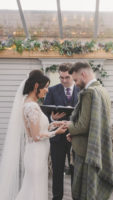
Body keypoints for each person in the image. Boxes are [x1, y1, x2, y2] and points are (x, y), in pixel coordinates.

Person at [0, 69, 67, 200]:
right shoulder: (31, 106)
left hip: (37, 153)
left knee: (33, 187)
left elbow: (36, 129)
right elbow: (36, 136)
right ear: (36, 86)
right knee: (34, 189)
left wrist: (52, 124)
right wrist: (55, 132)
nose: (47, 90)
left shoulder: (30, 103)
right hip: (36, 154)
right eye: (46, 87)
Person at [64, 62, 113, 200]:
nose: (75, 84)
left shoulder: (89, 93)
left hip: (86, 151)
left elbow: (82, 125)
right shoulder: (102, 90)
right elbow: (93, 123)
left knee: (83, 193)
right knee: (93, 190)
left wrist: (67, 126)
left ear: (83, 74)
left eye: (75, 80)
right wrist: (73, 134)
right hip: (96, 146)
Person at [43, 63, 79, 200]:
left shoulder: (81, 91)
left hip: (75, 138)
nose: (64, 80)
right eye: (61, 77)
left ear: (73, 75)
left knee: (76, 171)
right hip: (57, 139)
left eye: (67, 77)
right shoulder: (51, 91)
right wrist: (53, 118)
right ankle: (57, 198)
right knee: (57, 171)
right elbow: (45, 115)